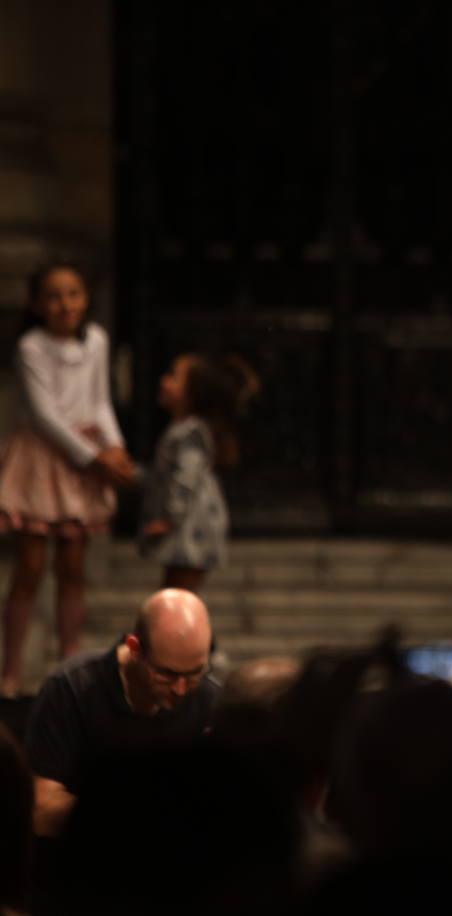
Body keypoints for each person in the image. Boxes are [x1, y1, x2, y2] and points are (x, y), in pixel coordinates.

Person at [0, 263, 134, 695]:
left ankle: (68, 664)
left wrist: (115, 448)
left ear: (87, 297)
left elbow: (100, 402)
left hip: (87, 462)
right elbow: (45, 416)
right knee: (31, 565)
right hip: (43, 461)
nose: (65, 305)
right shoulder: (31, 347)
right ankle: (13, 671)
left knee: (73, 567)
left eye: (73, 293)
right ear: (37, 303)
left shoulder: (96, 341)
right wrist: (95, 459)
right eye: (54, 296)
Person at [24, 588, 217, 837]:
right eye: (166, 674)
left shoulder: (209, 698)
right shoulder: (71, 688)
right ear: (134, 648)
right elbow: (41, 810)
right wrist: (133, 813)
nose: (181, 689)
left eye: (194, 673)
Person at [139, 352, 259, 592]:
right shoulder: (182, 430)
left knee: (179, 595)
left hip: (192, 527)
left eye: (173, 376)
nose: (164, 382)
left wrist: (169, 517)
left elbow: (185, 478)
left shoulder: (190, 433)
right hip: (187, 527)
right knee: (174, 592)